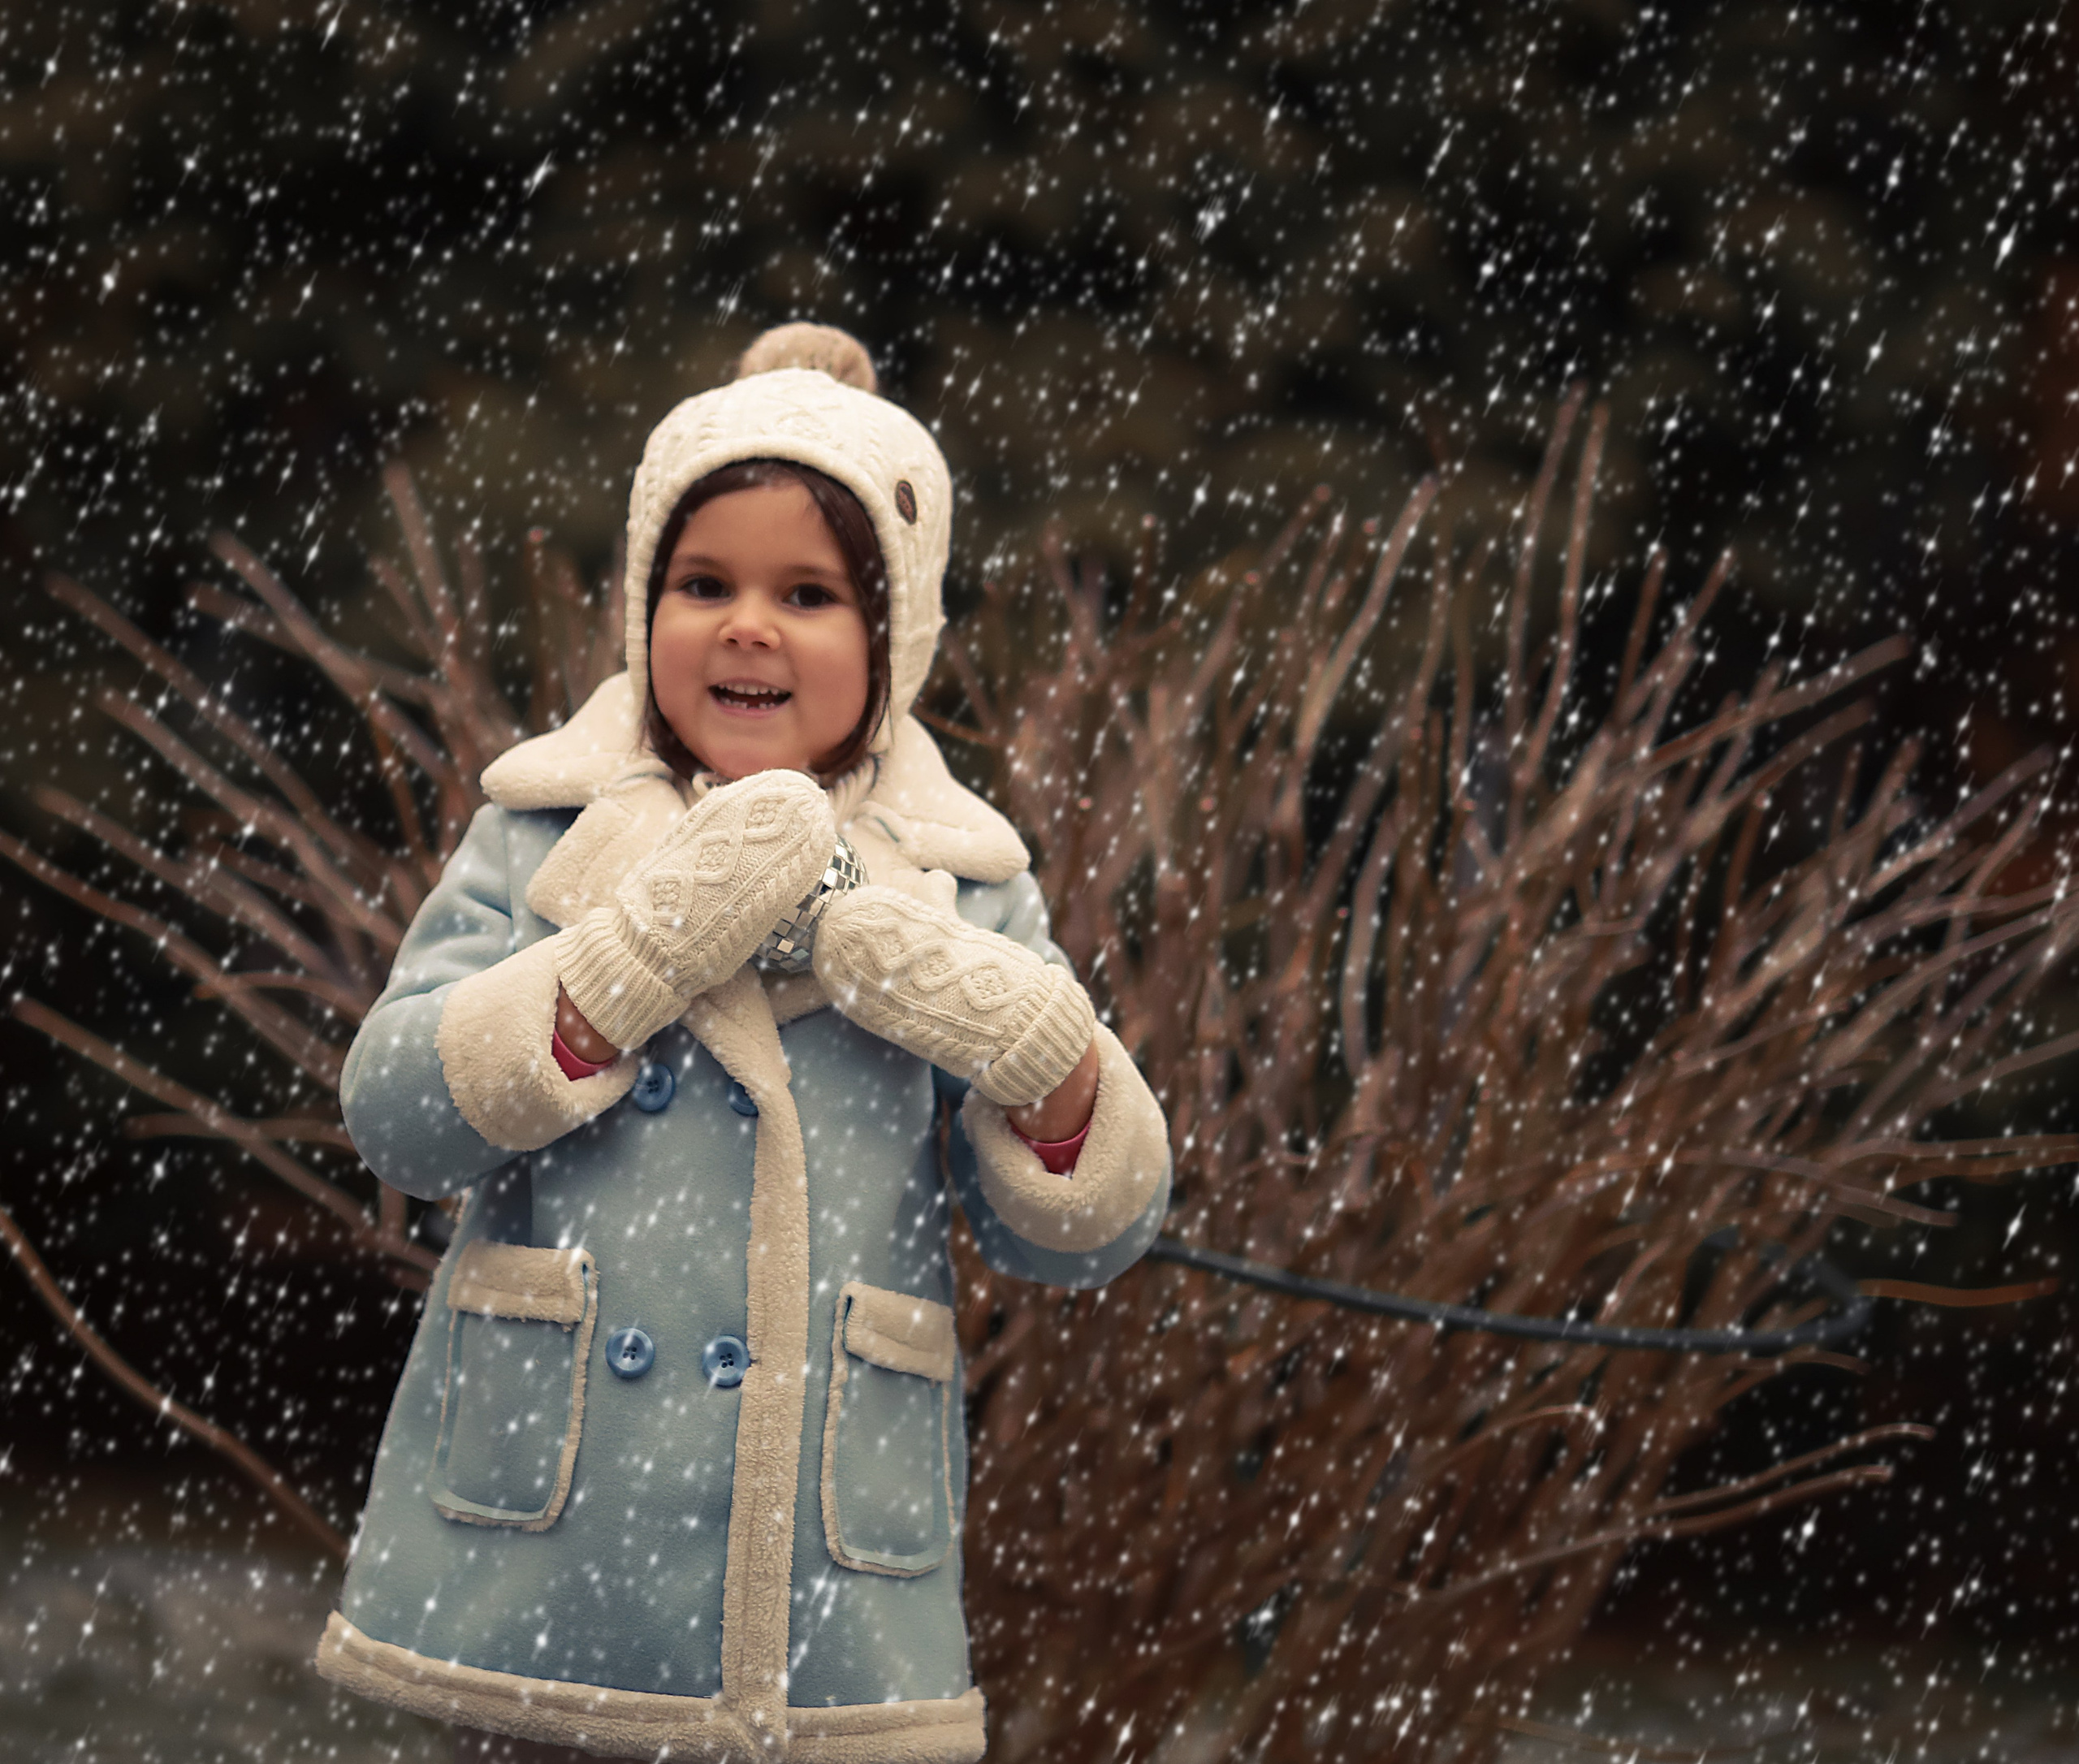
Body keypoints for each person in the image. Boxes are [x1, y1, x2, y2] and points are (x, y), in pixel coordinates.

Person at [313, 322, 1172, 1763]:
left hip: (817, 1574)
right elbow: (396, 1116)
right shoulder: (545, 826)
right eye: (701, 584)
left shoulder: (964, 879)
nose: (746, 626)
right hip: (546, 1530)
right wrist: (614, 972)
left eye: (810, 593)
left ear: (894, 641)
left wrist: (1038, 1048)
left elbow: (1087, 1236)